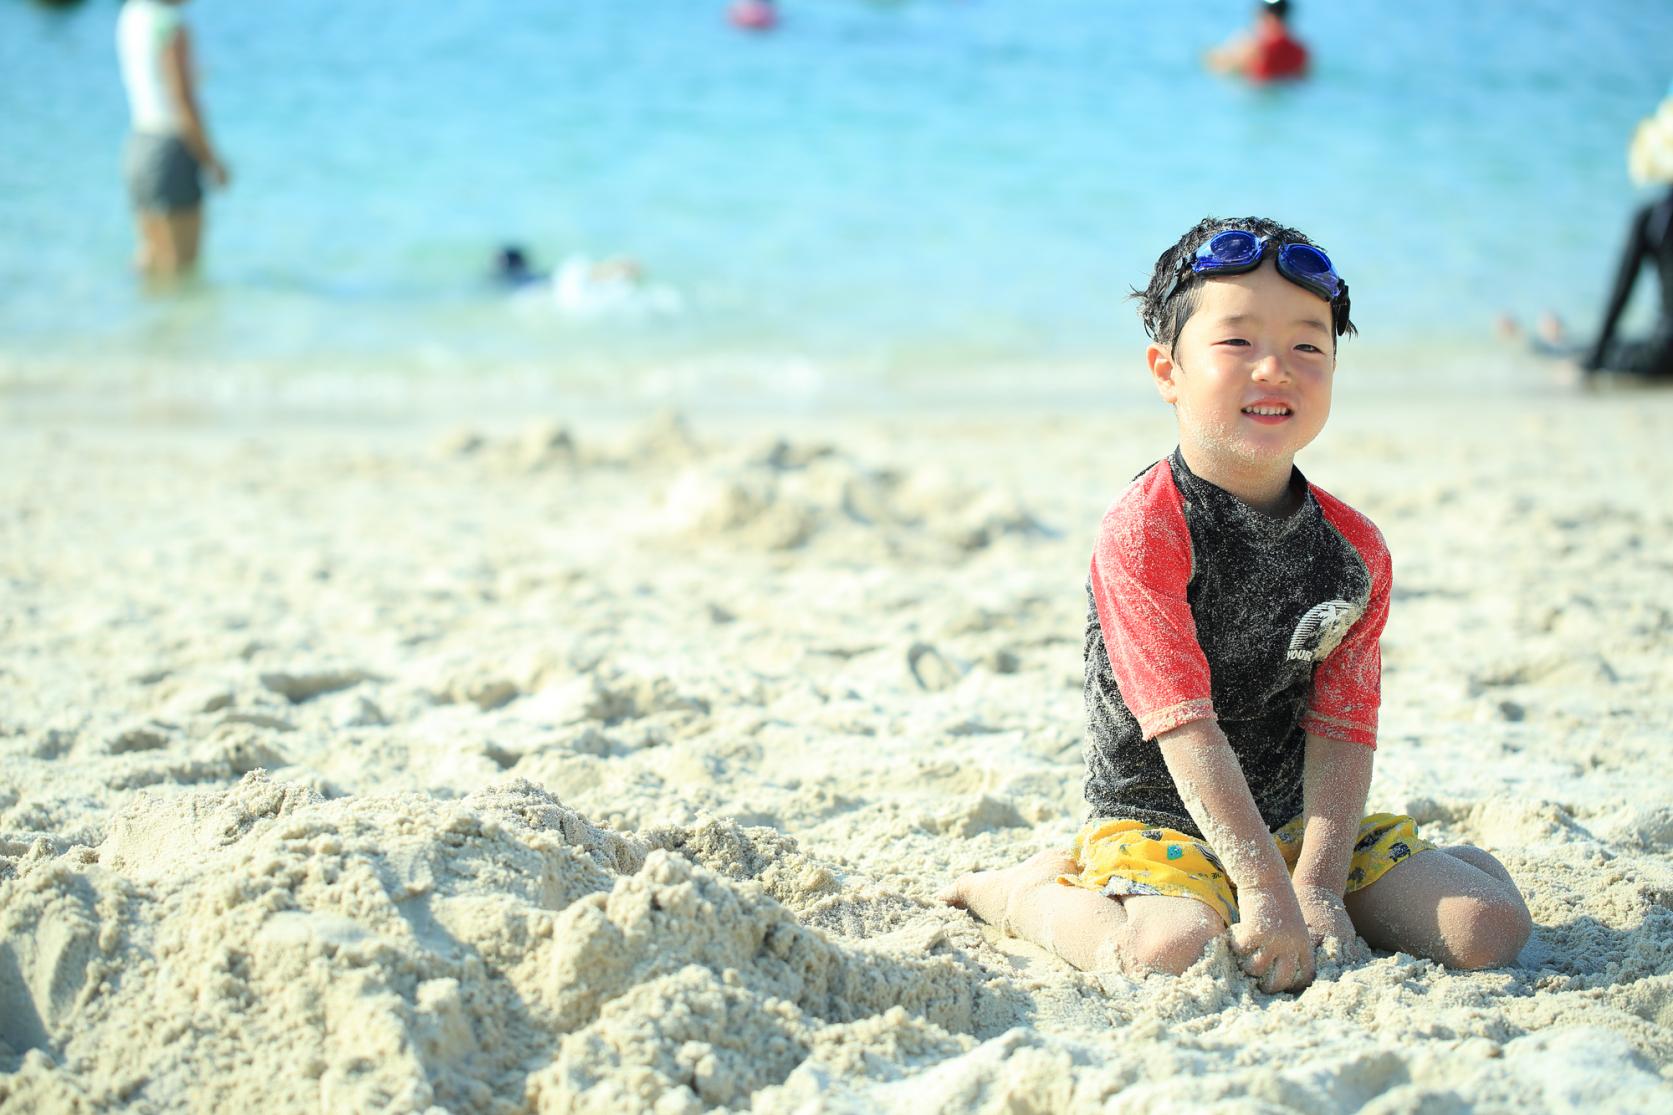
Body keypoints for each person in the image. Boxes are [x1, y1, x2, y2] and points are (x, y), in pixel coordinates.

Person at [940, 217, 1532, 994]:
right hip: (1159, 817)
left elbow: (1343, 726)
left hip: (1294, 820)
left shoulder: (1355, 549)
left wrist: (1315, 884)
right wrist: (1262, 892)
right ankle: (1022, 893)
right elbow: (1183, 725)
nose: (1274, 369)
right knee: (1170, 948)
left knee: (1486, 929)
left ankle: (1418, 870)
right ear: (1166, 370)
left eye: (1306, 348)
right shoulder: (1148, 527)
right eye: (1236, 343)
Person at [117, 0, 229, 280]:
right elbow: (182, 100)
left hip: (138, 144)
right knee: (183, 267)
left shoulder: (132, 13)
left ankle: (145, 319)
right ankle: (180, 324)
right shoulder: (170, 24)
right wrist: (212, 159)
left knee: (151, 257)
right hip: (171, 149)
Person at [1206, 0, 1310, 84]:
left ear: (1265, 16)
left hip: (1258, 96)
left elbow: (1222, 68)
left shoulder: (1254, 47)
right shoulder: (1301, 51)